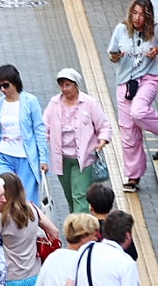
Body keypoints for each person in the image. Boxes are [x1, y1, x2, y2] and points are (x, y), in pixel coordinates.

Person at [108, 0, 158, 192]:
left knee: (138, 112)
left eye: (142, 14)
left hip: (148, 79)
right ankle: (133, 176)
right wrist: (116, 56)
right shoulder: (121, 30)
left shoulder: (155, 30)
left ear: (148, 16)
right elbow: (112, 56)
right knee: (128, 131)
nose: (138, 18)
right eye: (135, 13)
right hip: (124, 83)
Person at [42, 68, 112, 213]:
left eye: (68, 85)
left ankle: (81, 231)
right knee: (70, 196)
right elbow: (44, 128)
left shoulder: (89, 103)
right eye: (62, 85)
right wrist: (41, 153)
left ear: (76, 85)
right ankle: (78, 223)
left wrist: (101, 143)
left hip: (84, 159)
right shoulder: (54, 103)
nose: (64, 89)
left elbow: (104, 125)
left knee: (80, 196)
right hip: (62, 159)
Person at [0, 64, 48, 204]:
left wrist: (43, 159)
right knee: (2, 196)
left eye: (6, 85)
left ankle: (28, 225)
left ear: (15, 82)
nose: (3, 89)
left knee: (26, 201)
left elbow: (39, 130)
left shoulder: (31, 101)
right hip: (3, 155)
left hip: (26, 158)